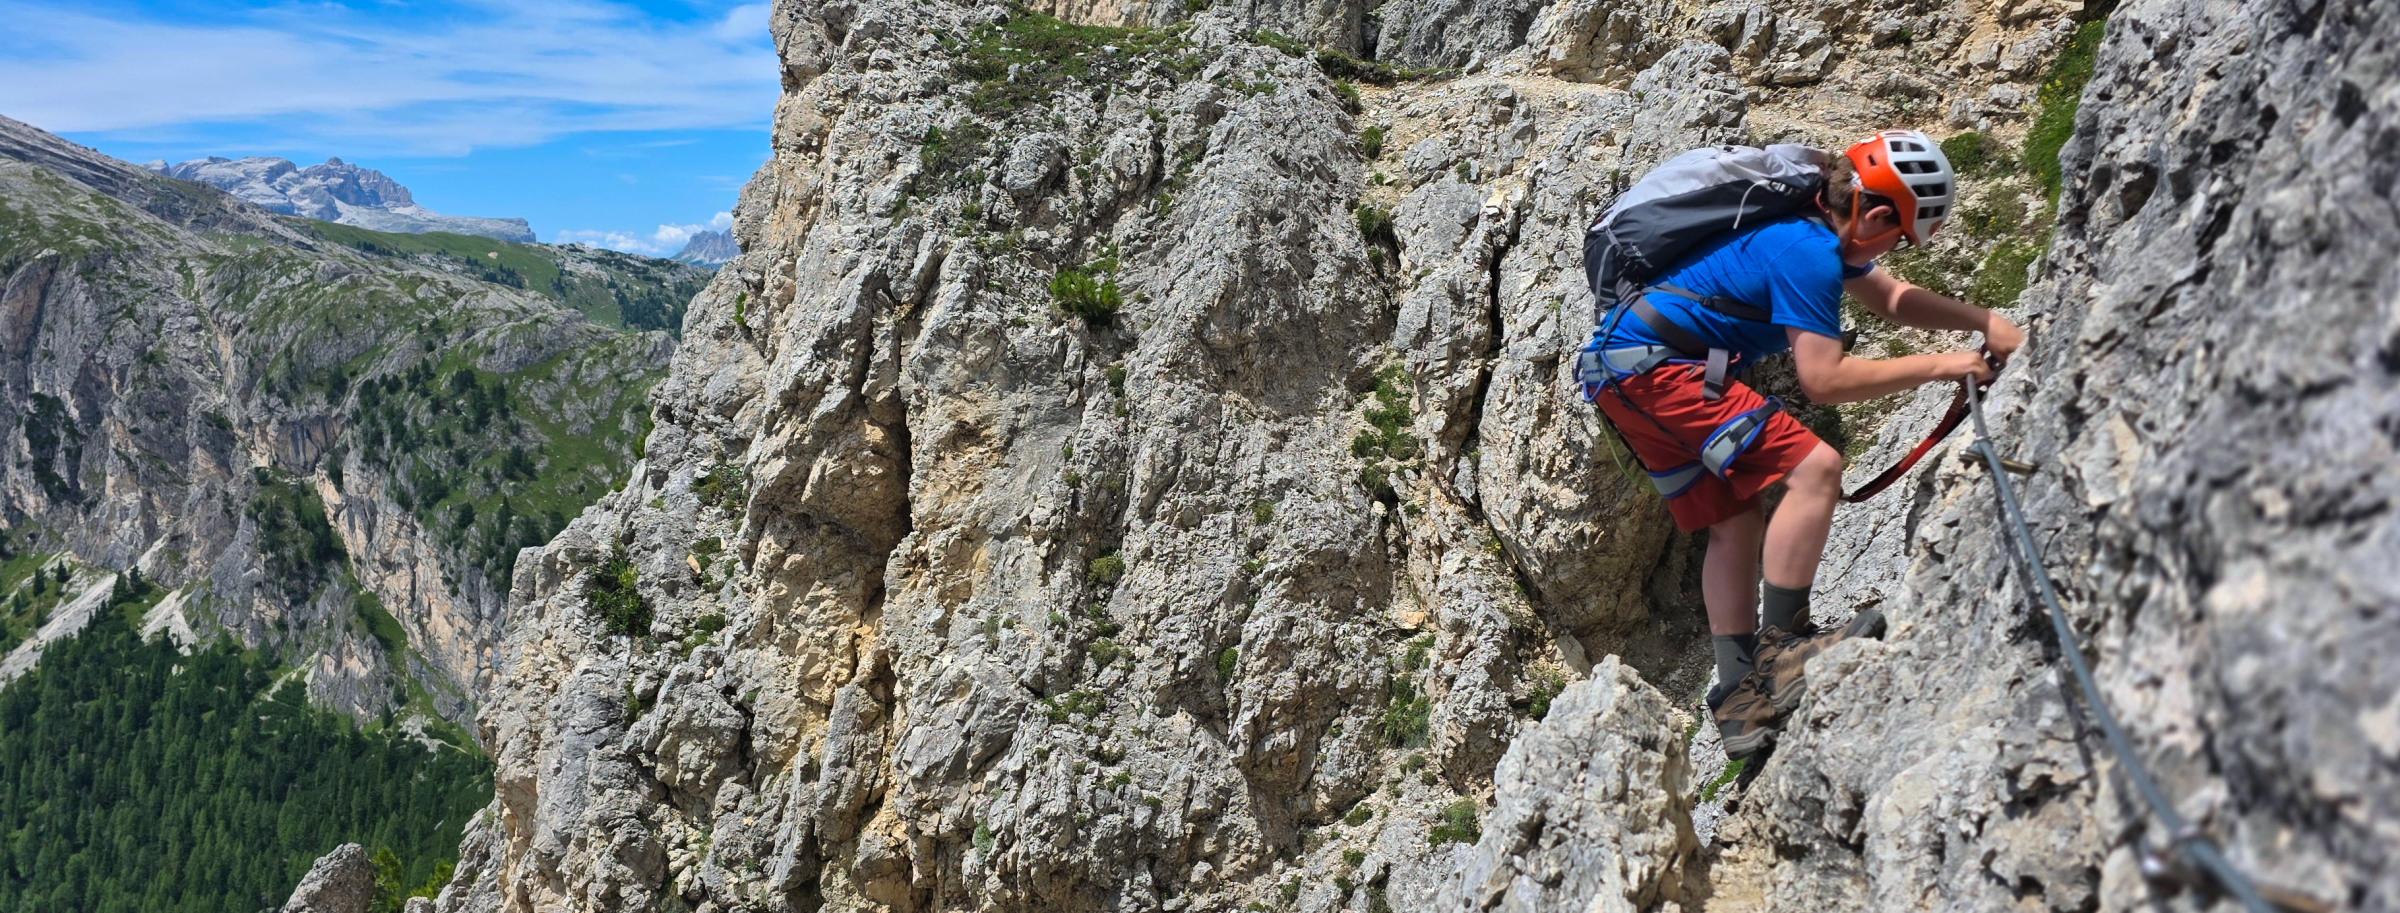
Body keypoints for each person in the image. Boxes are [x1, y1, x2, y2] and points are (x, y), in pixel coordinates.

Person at [1582, 131, 2025, 758]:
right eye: (1900, 236)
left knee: (1735, 520)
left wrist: (1984, 321)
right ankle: (1783, 649)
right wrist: (1945, 364)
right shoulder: (1806, 250)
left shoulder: (1807, 232)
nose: (1897, 250)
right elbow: (1824, 381)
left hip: (1624, 371)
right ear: (1873, 215)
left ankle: (1739, 696)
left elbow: (1892, 298)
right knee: (1817, 469)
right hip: (1660, 369)